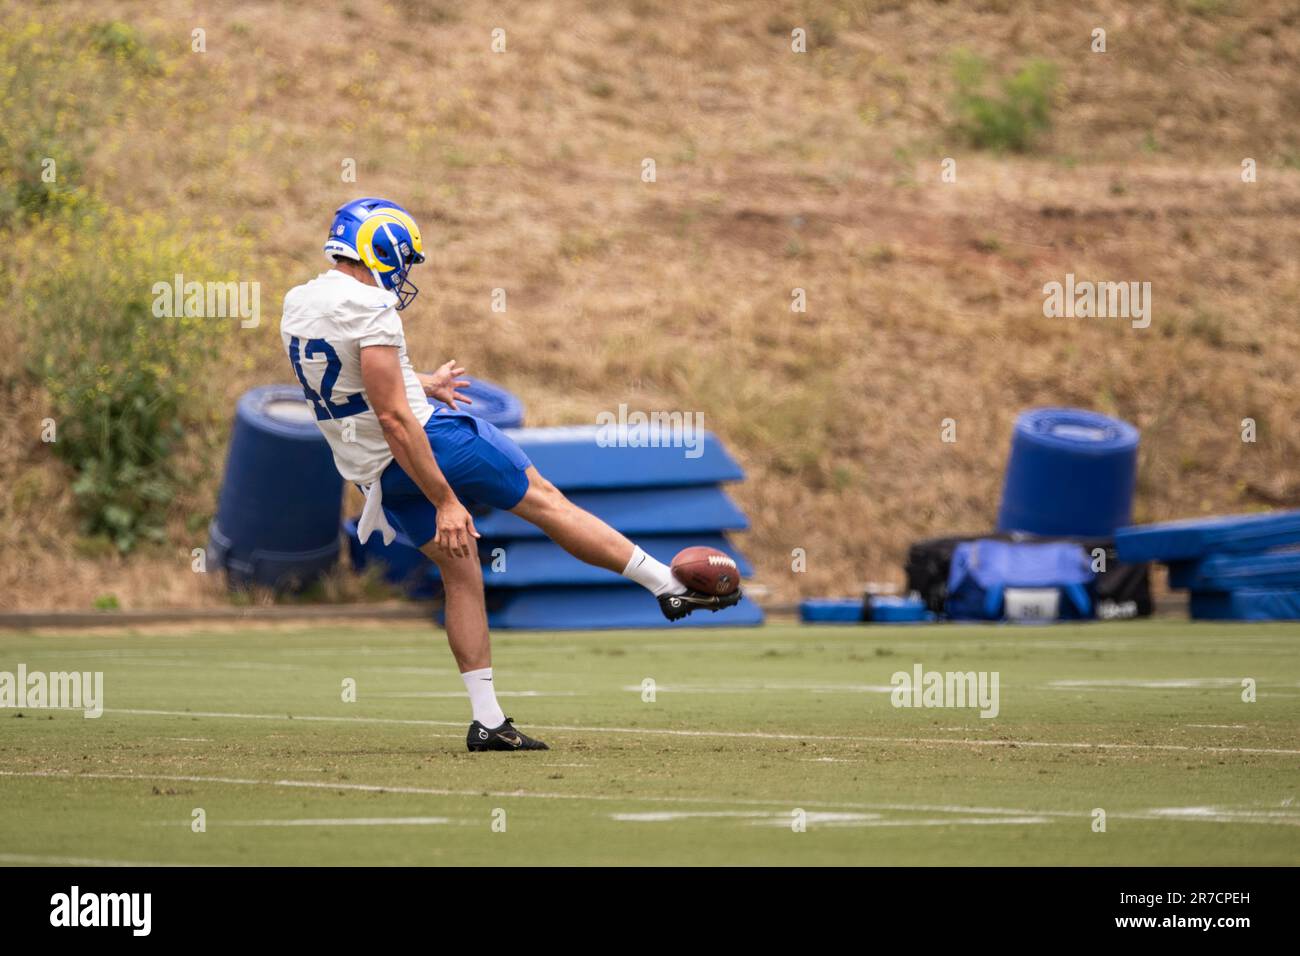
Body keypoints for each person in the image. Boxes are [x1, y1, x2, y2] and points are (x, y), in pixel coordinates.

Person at [280, 198, 742, 751]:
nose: (404, 274)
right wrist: (447, 499)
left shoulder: (299, 302)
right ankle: (666, 585)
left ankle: (489, 721)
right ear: (379, 249)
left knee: (462, 575)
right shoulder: (372, 308)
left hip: (375, 475)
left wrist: (422, 381)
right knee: (547, 501)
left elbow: (352, 382)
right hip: (434, 445)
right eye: (404, 260)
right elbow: (394, 416)